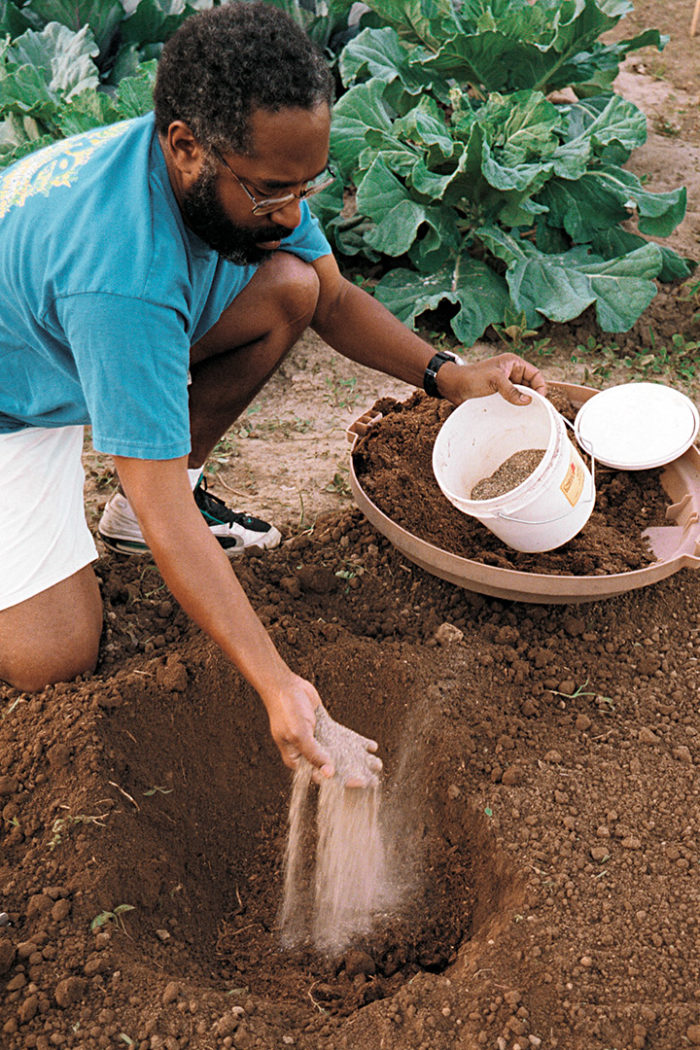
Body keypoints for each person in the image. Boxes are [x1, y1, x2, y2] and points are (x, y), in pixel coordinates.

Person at [0, 2, 545, 780]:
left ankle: (117, 521)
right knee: (50, 658)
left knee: (287, 288)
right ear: (187, 147)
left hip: (53, 343)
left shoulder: (237, 172)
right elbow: (159, 502)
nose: (291, 212)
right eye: (269, 192)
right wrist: (277, 685)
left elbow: (332, 297)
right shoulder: (123, 278)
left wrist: (449, 375)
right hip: (12, 405)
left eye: (306, 185)